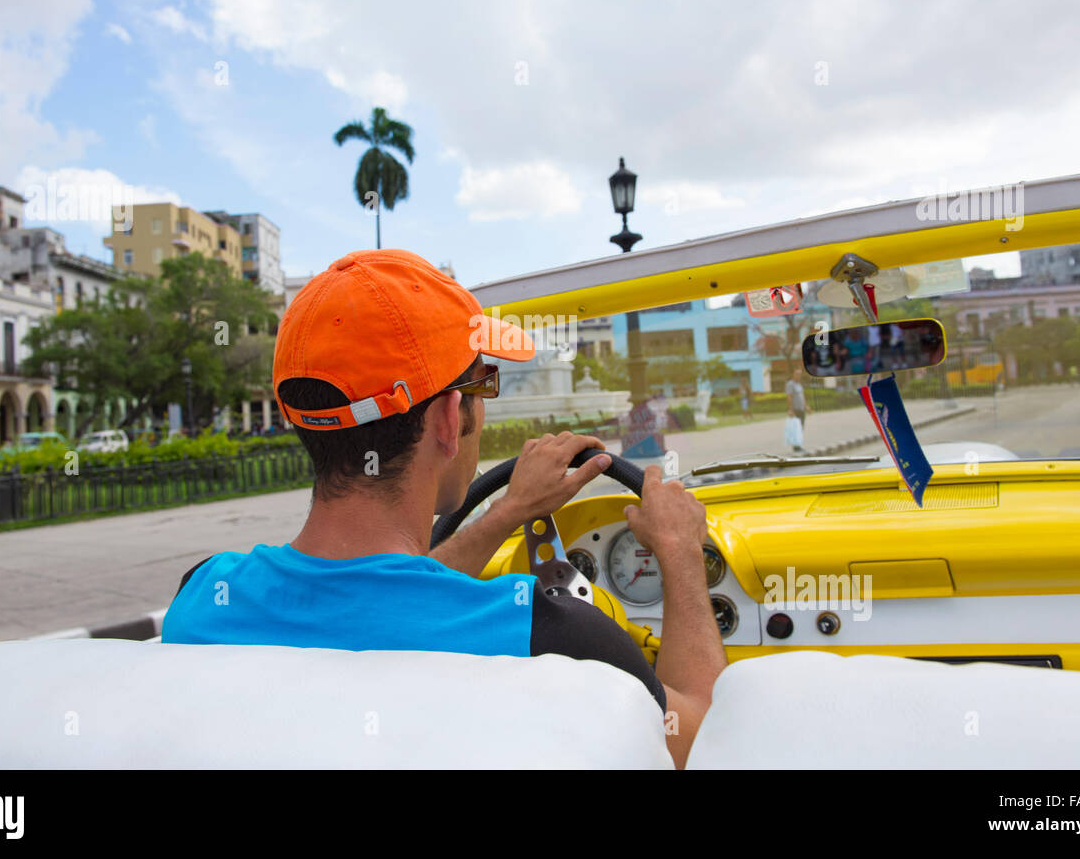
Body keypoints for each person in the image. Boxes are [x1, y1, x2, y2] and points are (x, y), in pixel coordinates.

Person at [161, 250, 726, 769]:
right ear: (448, 420)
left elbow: (386, 598)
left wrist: (507, 513)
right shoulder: (546, 634)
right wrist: (677, 551)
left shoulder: (203, 599)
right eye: (485, 383)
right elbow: (705, 731)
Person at [785, 366, 808, 453]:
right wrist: (790, 410)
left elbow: (802, 397)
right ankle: (796, 446)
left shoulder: (799, 384)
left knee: (801, 427)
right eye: (797, 374)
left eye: (800, 374)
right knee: (796, 428)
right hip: (795, 409)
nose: (799, 376)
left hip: (801, 409)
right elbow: (789, 397)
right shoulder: (790, 384)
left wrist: (806, 407)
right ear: (793, 374)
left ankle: (799, 444)